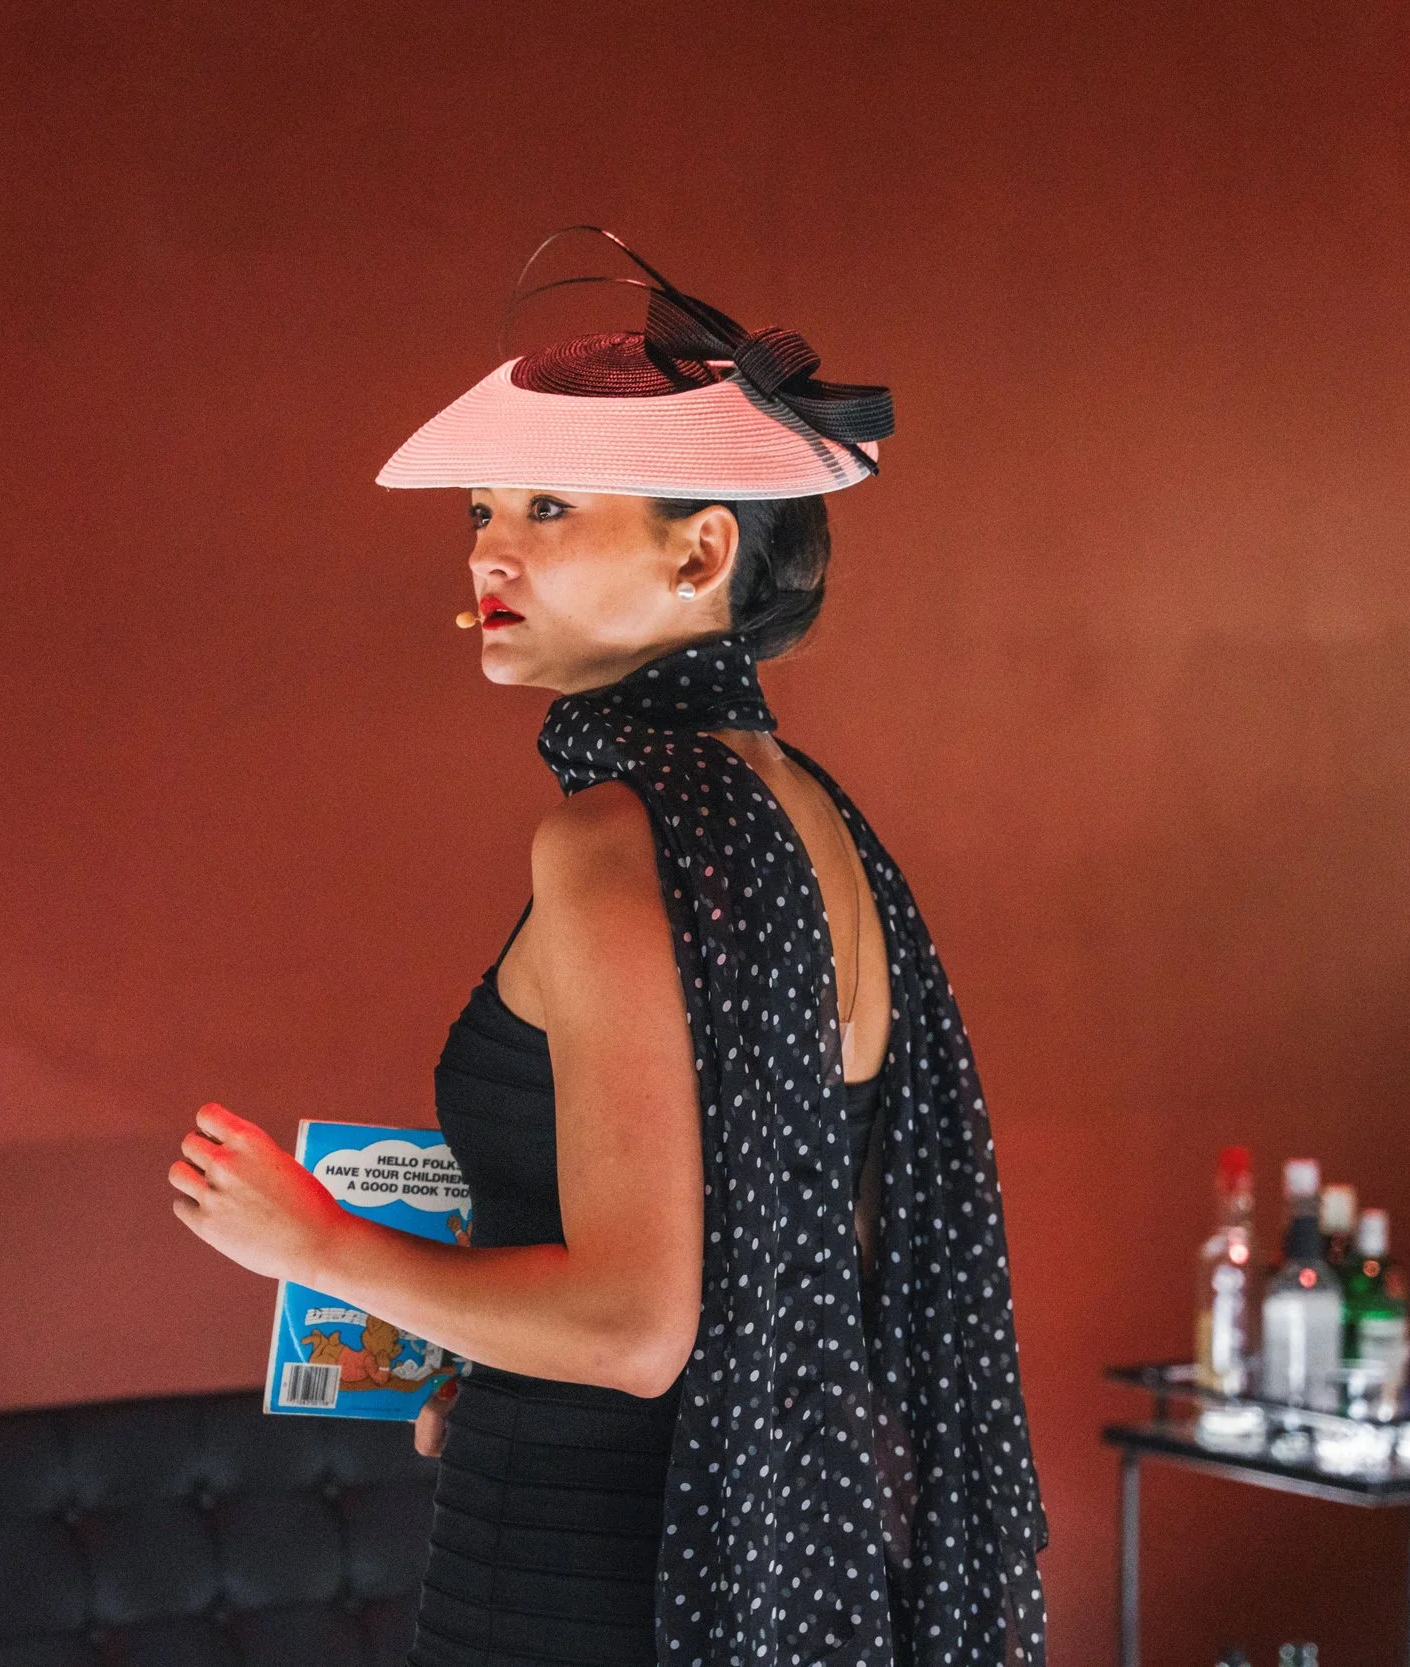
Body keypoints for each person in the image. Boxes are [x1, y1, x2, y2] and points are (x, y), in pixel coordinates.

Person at [170, 230, 1046, 1666]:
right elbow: (796, 1255)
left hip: (590, 1573)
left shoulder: (608, 839)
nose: (488, 549)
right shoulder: (812, 818)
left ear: (701, 552)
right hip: (751, 1550)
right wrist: (484, 1343)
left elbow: (635, 1326)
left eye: (550, 504)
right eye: (483, 508)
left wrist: (315, 1242)